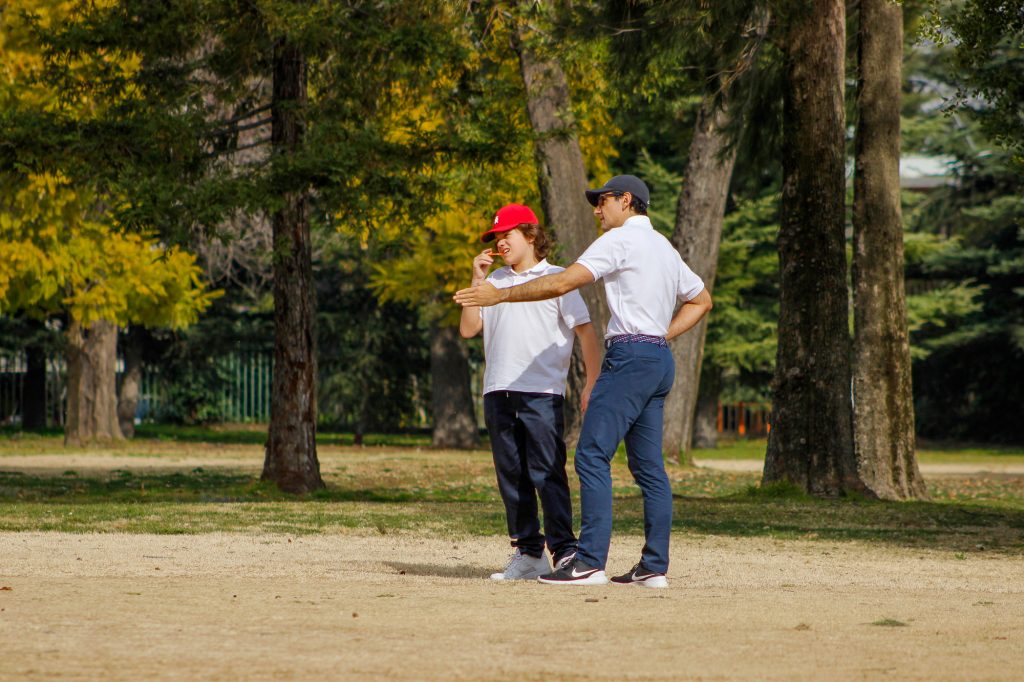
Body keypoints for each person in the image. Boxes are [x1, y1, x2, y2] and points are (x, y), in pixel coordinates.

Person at [454, 176, 712, 588]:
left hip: (628, 356)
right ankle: (653, 567)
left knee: (590, 457)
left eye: (602, 201)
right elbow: (701, 301)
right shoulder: (664, 246)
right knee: (649, 468)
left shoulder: (619, 239)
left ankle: (587, 562)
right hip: (658, 360)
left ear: (626, 201)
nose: (597, 210)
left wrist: (500, 295)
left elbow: (562, 281)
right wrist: (661, 336)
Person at [459, 203, 602, 581]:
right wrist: (477, 280)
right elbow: (468, 329)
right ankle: (528, 551)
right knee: (512, 475)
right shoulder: (494, 283)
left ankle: (565, 552)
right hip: (497, 389)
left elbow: (586, 331)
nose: (500, 243)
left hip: (541, 390)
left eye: (507, 235)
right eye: (496, 238)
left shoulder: (558, 279)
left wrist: (591, 381)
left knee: (546, 472)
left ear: (531, 235)